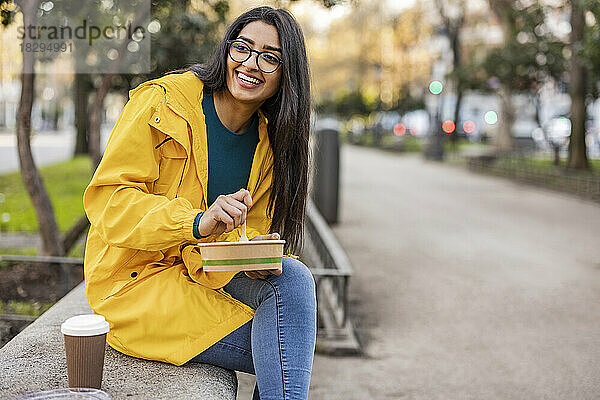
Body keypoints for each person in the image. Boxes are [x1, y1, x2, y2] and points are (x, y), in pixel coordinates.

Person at [82, 6, 316, 400]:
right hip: (137, 284)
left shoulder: (269, 146)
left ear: (286, 75)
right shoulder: (162, 103)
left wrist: (253, 254)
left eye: (270, 57)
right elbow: (109, 201)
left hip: (203, 275)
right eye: (242, 48)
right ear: (226, 50)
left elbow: (244, 232)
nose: (251, 64)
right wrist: (194, 222)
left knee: (293, 282)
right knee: (285, 347)